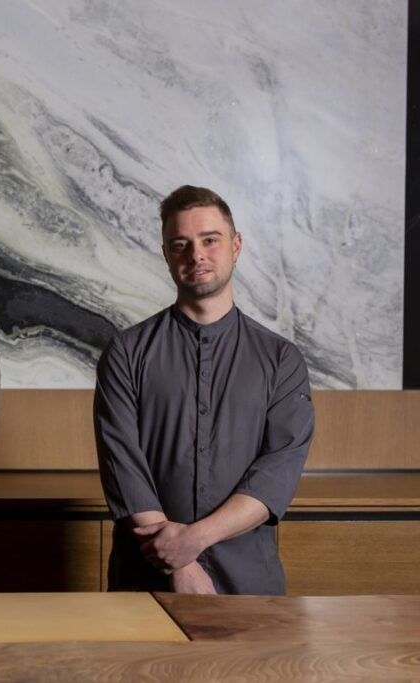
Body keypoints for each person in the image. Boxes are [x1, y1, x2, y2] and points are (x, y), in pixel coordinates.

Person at [94, 185, 314, 595]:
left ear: (236, 245)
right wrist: (179, 566)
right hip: (145, 582)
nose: (196, 255)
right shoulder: (126, 352)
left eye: (210, 240)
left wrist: (191, 543)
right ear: (166, 255)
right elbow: (123, 467)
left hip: (249, 583)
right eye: (181, 244)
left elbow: (276, 473)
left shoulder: (282, 359)